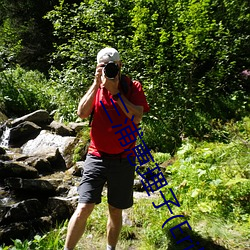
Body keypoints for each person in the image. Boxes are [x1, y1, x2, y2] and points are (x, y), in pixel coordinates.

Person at [64, 47, 150, 250]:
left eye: (112, 66)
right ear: (97, 67)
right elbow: (82, 113)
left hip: (124, 157)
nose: (108, 69)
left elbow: (137, 116)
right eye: (102, 66)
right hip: (97, 156)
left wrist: (115, 92)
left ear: (120, 66)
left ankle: (110, 248)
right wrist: (96, 84)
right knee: (84, 205)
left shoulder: (132, 86)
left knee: (115, 209)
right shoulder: (96, 88)